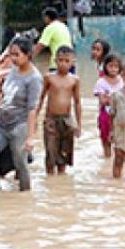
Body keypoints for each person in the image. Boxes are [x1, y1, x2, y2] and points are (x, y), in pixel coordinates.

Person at [0, 38, 42, 192]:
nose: (13, 58)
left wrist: (30, 137)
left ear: (28, 55)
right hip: (2, 125)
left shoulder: (34, 78)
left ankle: (25, 197)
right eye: (11, 55)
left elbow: (32, 109)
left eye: (17, 55)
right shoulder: (13, 70)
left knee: (20, 163)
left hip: (19, 126)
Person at [38, 46, 82, 175]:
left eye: (67, 61)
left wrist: (78, 125)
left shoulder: (74, 80)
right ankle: (50, 179)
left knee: (64, 154)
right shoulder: (49, 78)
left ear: (73, 62)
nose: (63, 64)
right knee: (50, 153)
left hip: (67, 119)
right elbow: (40, 98)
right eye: (60, 60)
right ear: (55, 60)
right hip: (51, 119)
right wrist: (34, 118)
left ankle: (61, 181)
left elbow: (77, 102)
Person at [93, 53, 124, 161]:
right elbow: (103, 101)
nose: (113, 69)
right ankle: (107, 160)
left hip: (121, 115)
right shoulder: (101, 82)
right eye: (111, 66)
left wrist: (110, 98)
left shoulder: (123, 80)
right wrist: (116, 99)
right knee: (106, 140)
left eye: (116, 66)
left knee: (121, 142)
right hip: (105, 115)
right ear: (105, 66)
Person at [33, 7, 73, 72]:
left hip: (58, 63)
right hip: (70, 62)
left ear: (47, 17)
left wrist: (29, 59)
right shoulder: (63, 26)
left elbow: (40, 46)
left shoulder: (50, 28)